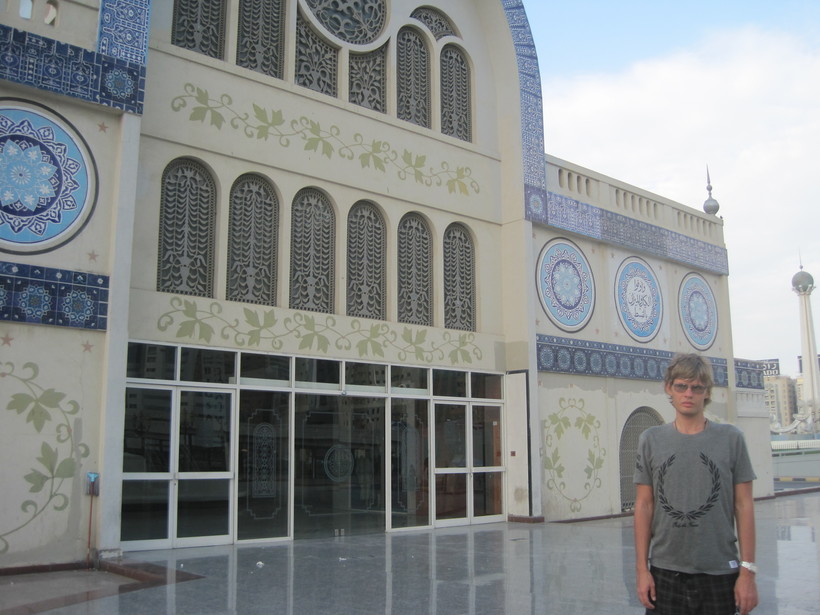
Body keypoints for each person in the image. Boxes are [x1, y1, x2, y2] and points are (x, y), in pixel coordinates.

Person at [633, 353, 758, 615]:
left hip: (720, 572)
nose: (688, 394)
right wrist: (642, 570)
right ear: (669, 388)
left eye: (697, 387)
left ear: (707, 392)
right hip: (665, 573)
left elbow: (744, 505)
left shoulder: (731, 439)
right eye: (681, 386)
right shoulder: (651, 440)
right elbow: (644, 505)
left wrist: (747, 572)